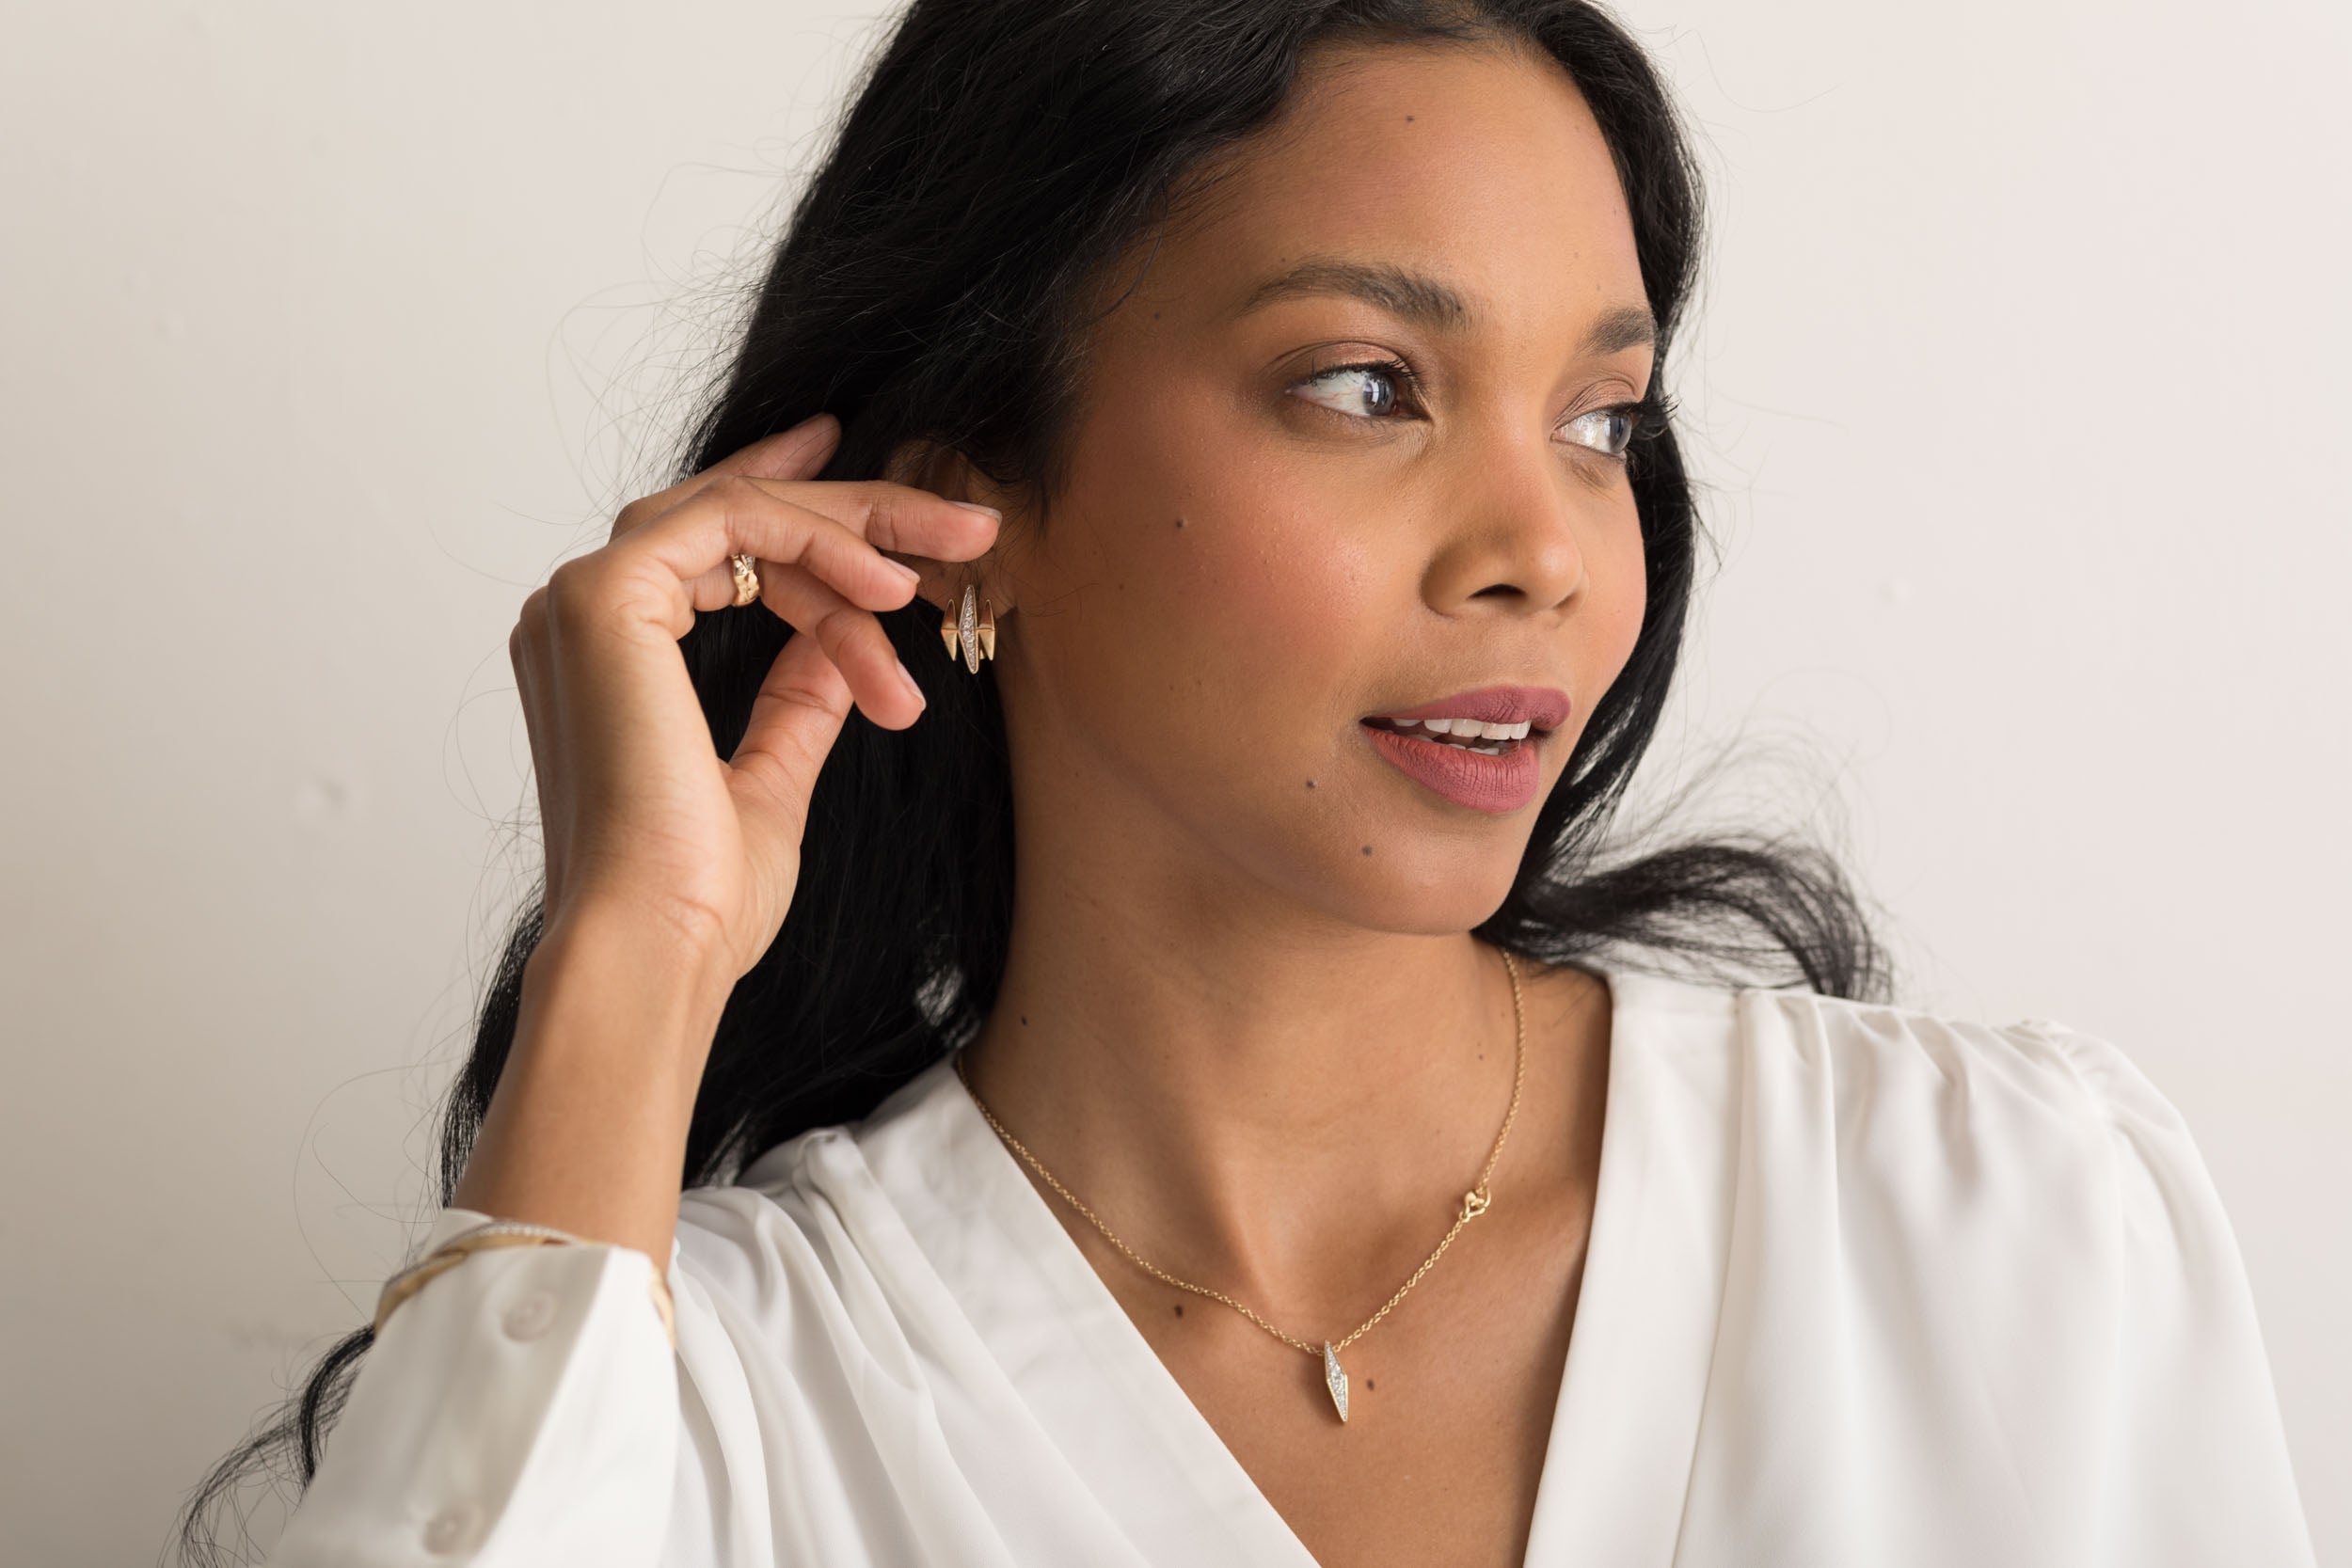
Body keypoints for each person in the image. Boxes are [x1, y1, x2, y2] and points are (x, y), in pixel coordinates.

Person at [178, 2, 2315, 1564]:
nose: (1546, 550)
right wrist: (631, 960)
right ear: (962, 502)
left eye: (1596, 416)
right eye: (1367, 386)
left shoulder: (2001, 1228)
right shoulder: (697, 1409)